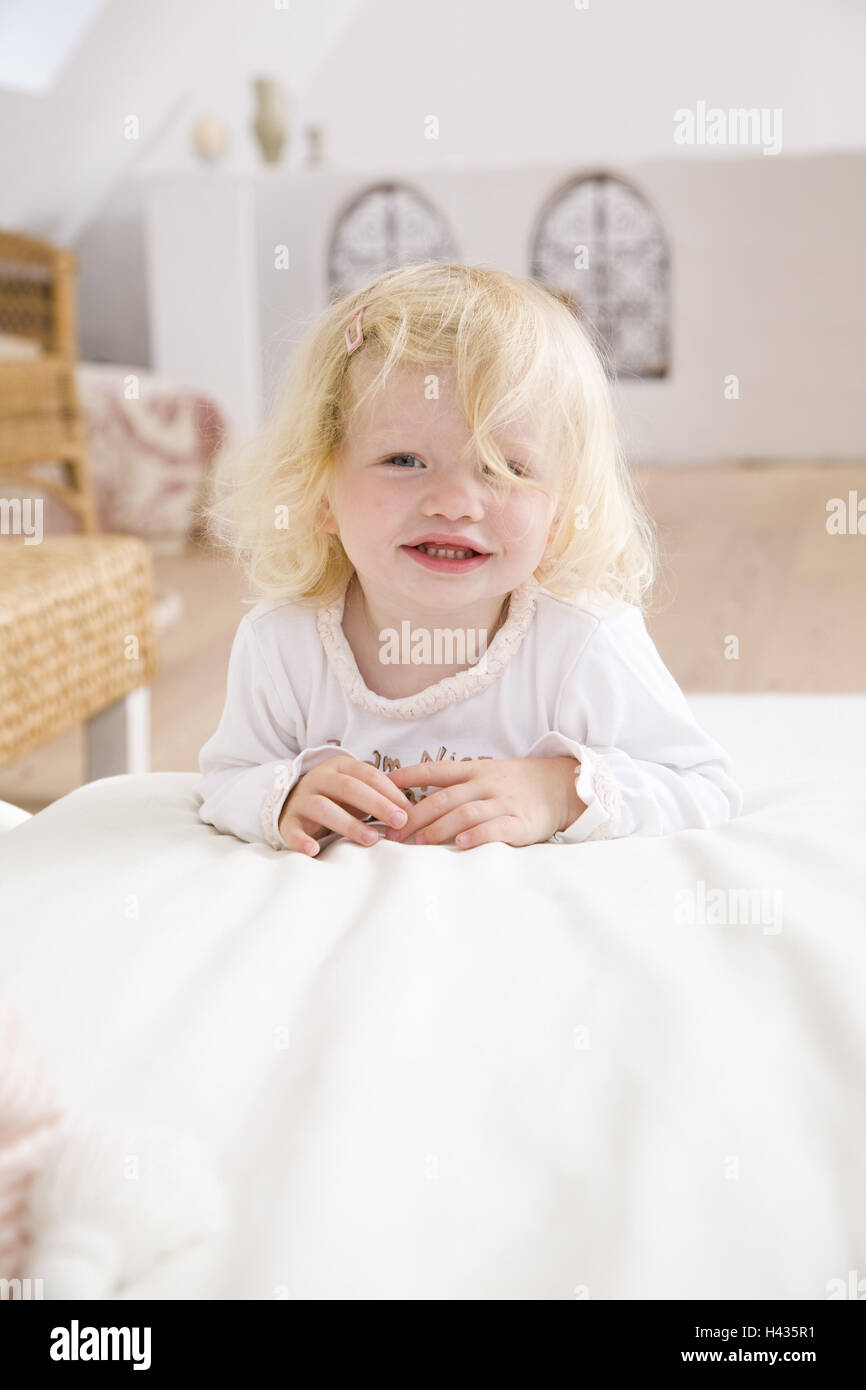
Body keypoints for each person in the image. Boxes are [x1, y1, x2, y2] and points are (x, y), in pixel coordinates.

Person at [194, 262, 742, 855]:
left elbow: (701, 784)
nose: (455, 504)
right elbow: (226, 779)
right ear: (320, 489)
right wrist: (282, 796)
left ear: (561, 510)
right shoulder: (282, 645)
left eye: (503, 469)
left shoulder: (583, 641)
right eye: (404, 460)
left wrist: (559, 792)